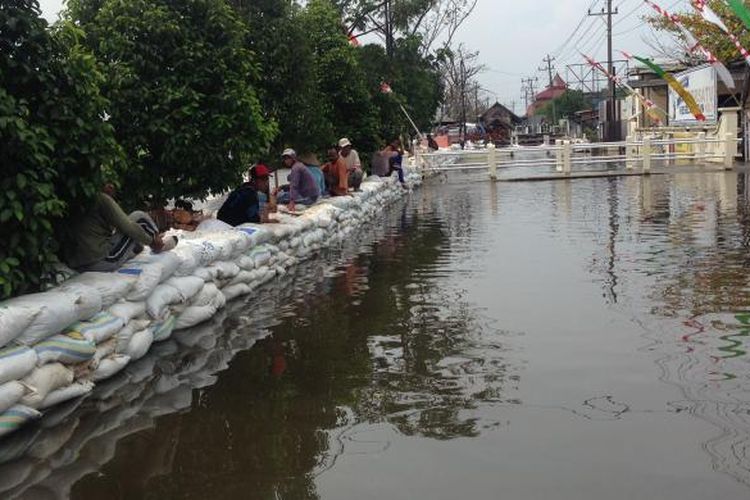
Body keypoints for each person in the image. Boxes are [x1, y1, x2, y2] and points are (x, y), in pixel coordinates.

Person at [63, 185, 176, 272]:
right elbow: (128, 226)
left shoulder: (68, 198)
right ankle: (158, 245)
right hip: (101, 260)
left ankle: (139, 247)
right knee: (139, 217)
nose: (111, 186)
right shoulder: (100, 198)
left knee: (133, 236)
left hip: (76, 263)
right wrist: (150, 241)